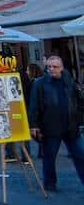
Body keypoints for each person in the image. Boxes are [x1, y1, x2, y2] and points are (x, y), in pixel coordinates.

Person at [29, 55, 84, 192]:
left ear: (62, 68)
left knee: (81, 155)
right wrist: (34, 125)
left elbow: (77, 102)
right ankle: (49, 183)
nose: (52, 69)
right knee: (49, 156)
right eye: (49, 67)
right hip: (50, 126)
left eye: (55, 67)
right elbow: (34, 105)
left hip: (70, 126)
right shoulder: (39, 83)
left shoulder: (69, 81)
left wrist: (79, 119)